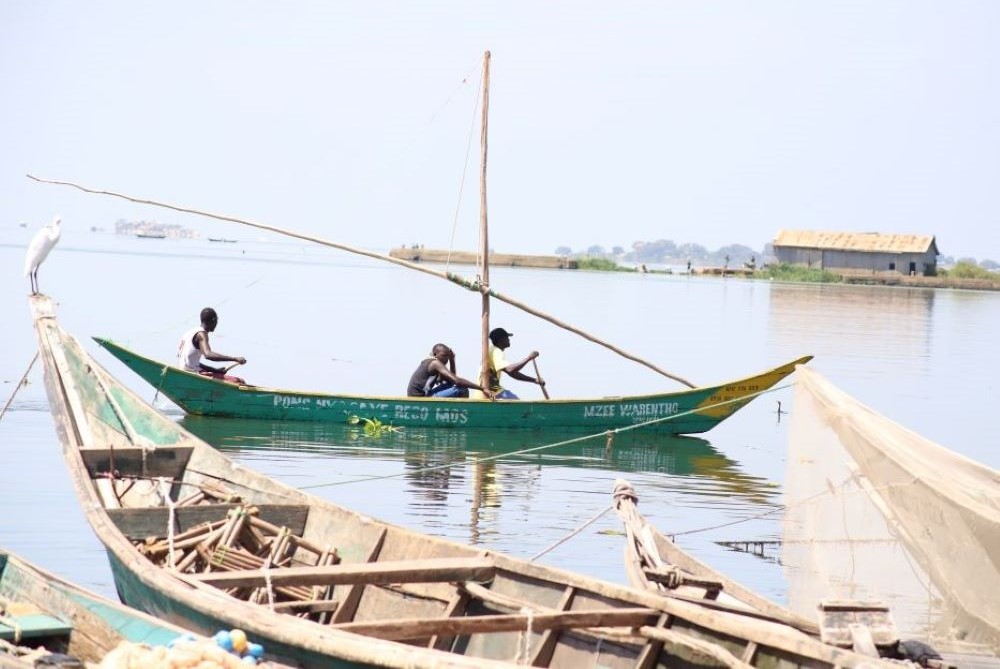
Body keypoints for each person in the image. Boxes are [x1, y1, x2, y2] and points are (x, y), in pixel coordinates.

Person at [470, 327, 545, 400]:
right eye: (507, 337)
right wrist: (529, 358)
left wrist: (534, 380)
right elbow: (510, 369)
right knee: (518, 405)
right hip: (490, 393)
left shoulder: (492, 350)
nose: (509, 339)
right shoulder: (496, 351)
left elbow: (512, 373)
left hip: (486, 393)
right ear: (501, 339)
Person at [177, 307, 247, 384]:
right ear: (213, 320)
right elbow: (208, 355)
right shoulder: (201, 334)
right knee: (239, 382)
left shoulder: (189, 333)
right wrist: (235, 359)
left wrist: (215, 370)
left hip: (183, 371)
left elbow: (192, 363)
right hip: (194, 374)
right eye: (217, 320)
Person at [406, 344, 493, 399]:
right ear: (435, 354)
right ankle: (461, 413)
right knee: (462, 390)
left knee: (452, 385)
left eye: (448, 356)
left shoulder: (432, 362)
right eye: (444, 355)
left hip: (424, 395)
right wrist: (482, 388)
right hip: (420, 398)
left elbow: (451, 381)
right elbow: (457, 381)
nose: (446, 359)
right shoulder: (434, 363)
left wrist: (452, 360)